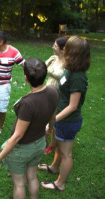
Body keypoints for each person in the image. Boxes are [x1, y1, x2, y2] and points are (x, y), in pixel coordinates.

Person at [0, 58, 59, 199]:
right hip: (39, 144)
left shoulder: (27, 104)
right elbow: (53, 117)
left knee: (19, 184)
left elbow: (17, 136)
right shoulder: (53, 91)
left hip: (22, 149)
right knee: (32, 176)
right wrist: (49, 134)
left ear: (26, 78)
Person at [39, 36, 90, 191]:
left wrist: (53, 121)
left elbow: (73, 106)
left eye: (67, 47)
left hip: (69, 121)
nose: (63, 49)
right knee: (59, 148)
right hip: (61, 118)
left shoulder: (78, 77)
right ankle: (54, 167)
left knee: (66, 153)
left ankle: (60, 184)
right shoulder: (70, 70)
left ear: (73, 52)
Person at [44, 37, 68, 155]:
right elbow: (42, 68)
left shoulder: (68, 63)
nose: (52, 47)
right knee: (43, 116)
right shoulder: (53, 58)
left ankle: (52, 144)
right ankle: (43, 141)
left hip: (59, 93)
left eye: (55, 46)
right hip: (47, 89)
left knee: (53, 120)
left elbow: (65, 79)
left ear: (63, 49)